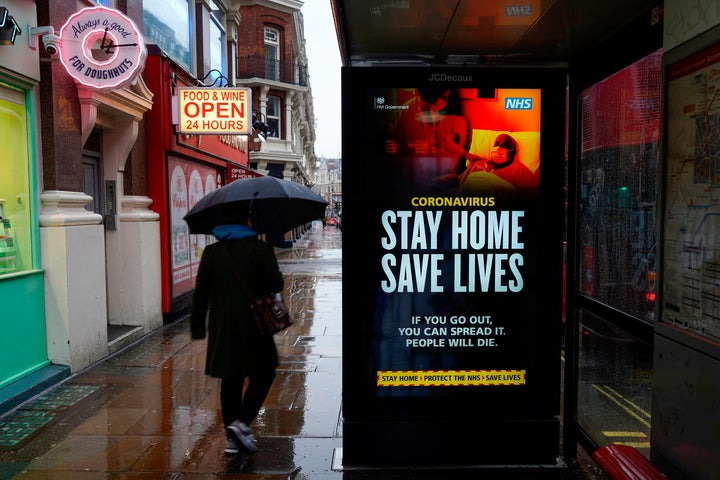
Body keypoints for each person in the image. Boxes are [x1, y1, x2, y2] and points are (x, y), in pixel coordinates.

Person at [190, 206, 284, 455]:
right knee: (263, 374)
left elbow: (201, 294)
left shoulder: (212, 253)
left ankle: (232, 438)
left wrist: (198, 327)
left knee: (230, 380)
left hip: (224, 328)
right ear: (248, 222)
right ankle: (241, 423)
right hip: (255, 325)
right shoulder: (260, 249)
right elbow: (276, 284)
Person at [458, 133, 538, 194]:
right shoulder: (478, 165)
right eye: (496, 144)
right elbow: (461, 187)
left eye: (505, 146)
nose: (498, 148)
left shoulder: (520, 171)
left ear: (513, 152)